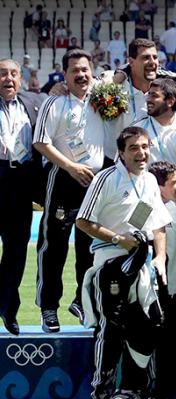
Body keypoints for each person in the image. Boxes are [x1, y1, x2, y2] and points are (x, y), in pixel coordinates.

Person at [76, 126, 171, 399]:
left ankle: (128, 392)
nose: (141, 153)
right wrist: (118, 239)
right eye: (134, 148)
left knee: (152, 324)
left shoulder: (151, 181)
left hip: (141, 265)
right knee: (111, 330)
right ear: (121, 152)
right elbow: (83, 221)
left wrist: (160, 257)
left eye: (144, 147)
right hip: (110, 262)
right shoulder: (106, 178)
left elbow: (155, 224)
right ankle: (100, 398)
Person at [33, 50, 110, 332]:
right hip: (63, 179)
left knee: (90, 247)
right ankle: (48, 308)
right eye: (75, 70)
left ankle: (82, 301)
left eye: (85, 69)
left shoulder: (104, 100)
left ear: (93, 71)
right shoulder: (54, 102)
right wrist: (70, 167)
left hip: (95, 182)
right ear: (64, 74)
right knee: (54, 246)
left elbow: (124, 74)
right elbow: (41, 143)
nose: (81, 75)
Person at [0, 58, 46, 336]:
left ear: (21, 77)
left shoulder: (36, 102)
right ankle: (5, 302)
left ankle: (8, 308)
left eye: (13, 74)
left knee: (16, 253)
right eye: (3, 74)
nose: (8, 78)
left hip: (21, 184)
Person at [145, 161, 176, 399]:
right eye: (174, 182)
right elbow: (132, 234)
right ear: (159, 186)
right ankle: (149, 396)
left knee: (173, 346)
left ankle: (166, 397)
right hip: (150, 291)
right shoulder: (143, 208)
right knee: (153, 346)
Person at [130, 78, 176, 167]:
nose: (148, 99)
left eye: (154, 96)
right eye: (149, 94)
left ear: (170, 102)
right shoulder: (136, 129)